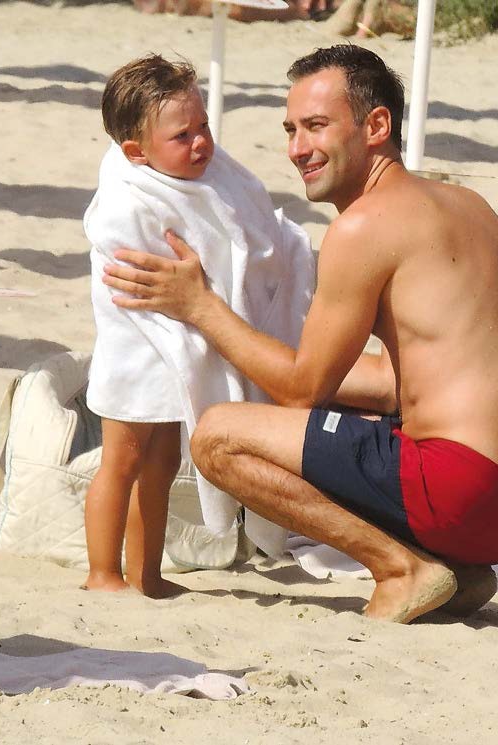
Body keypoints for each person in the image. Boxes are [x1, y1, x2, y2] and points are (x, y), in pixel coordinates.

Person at [101, 45, 498, 622]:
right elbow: (394, 381)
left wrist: (201, 308)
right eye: (291, 130)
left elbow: (302, 390)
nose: (298, 149)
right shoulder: (467, 204)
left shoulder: (364, 226)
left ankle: (401, 567)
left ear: (376, 126)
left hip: (463, 492)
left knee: (218, 436)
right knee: (309, 407)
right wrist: (259, 360)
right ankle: (453, 570)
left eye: (316, 126)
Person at [82, 54, 313, 597]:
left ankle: (146, 574)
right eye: (182, 136)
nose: (201, 144)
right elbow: (128, 266)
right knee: (121, 460)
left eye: (203, 126)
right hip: (138, 347)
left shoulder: (212, 175)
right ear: (136, 152)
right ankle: (102, 571)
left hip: (180, 346)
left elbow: (242, 227)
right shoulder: (125, 199)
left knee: (162, 464)